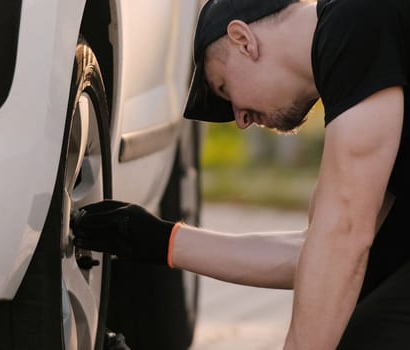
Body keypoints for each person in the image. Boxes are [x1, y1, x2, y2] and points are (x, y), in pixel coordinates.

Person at [71, 0, 410, 348]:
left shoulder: (355, 21)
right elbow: (319, 254)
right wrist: (159, 239)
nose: (242, 120)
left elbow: (343, 237)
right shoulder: (367, 46)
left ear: (242, 39)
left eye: (223, 89)